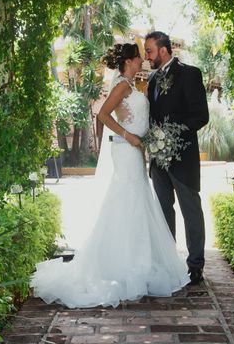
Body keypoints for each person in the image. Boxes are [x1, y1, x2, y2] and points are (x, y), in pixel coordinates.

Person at [30, 43, 189, 308]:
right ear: (128, 61)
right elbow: (103, 114)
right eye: (138, 57)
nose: (141, 61)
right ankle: (126, 266)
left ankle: (139, 262)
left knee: (136, 201)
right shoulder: (122, 86)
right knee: (129, 200)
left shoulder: (131, 84)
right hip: (126, 150)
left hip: (134, 150)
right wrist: (129, 137)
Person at [144, 31, 209, 285]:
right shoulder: (151, 80)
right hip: (158, 161)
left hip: (183, 159)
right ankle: (168, 264)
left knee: (190, 211)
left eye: (149, 51)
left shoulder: (190, 74)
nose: (147, 56)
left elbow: (200, 116)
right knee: (162, 212)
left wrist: (172, 135)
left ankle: (195, 266)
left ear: (163, 50)